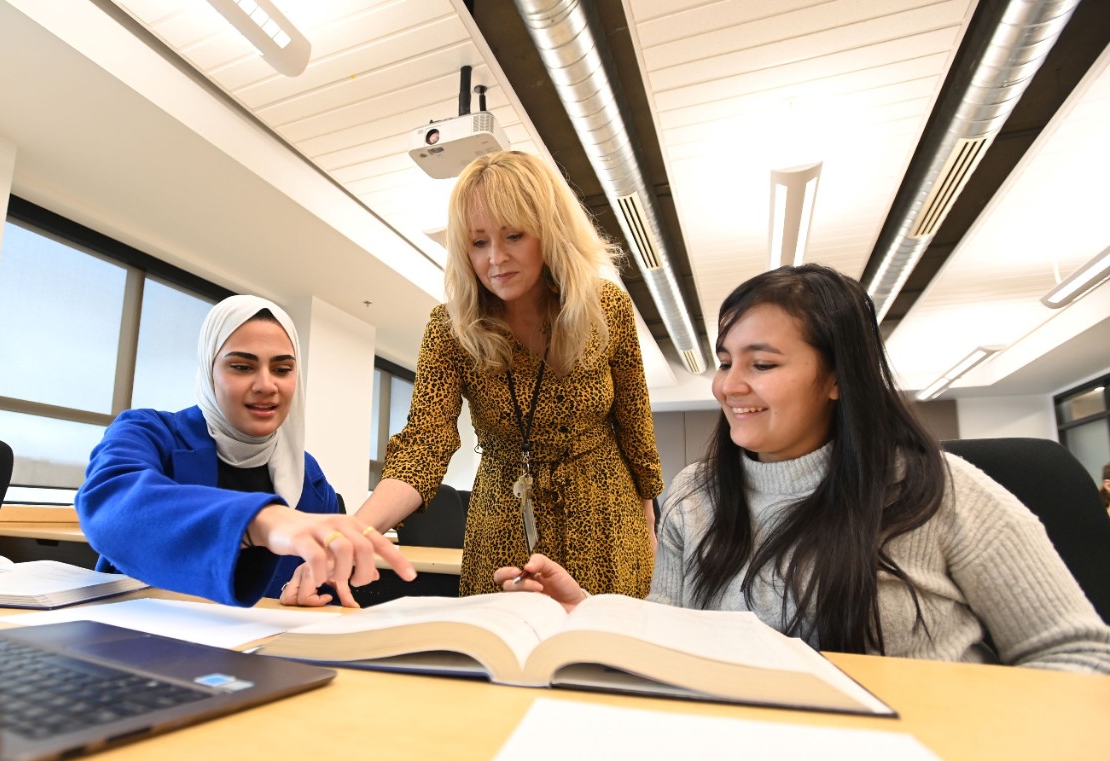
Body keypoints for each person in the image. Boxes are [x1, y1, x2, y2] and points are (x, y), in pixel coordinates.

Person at [495, 264, 1110, 673]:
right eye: (726, 361)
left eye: (762, 365)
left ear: (838, 377)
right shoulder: (695, 497)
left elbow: (1078, 653)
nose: (730, 386)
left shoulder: (941, 493)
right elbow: (673, 638)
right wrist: (592, 611)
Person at [280, 150, 662, 602]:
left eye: (514, 236)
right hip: (502, 520)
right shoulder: (451, 329)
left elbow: (636, 429)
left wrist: (647, 529)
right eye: (479, 243)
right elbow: (424, 445)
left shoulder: (606, 309)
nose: (496, 258)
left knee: (601, 657)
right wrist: (344, 540)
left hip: (605, 515)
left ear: (550, 232)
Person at [77, 295, 413, 608]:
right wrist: (260, 521)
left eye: (282, 369)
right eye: (241, 366)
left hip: (260, 657)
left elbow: (324, 590)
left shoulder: (306, 475)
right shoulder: (149, 432)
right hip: (141, 644)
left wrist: (306, 596)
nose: (267, 385)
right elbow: (108, 506)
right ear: (209, 371)